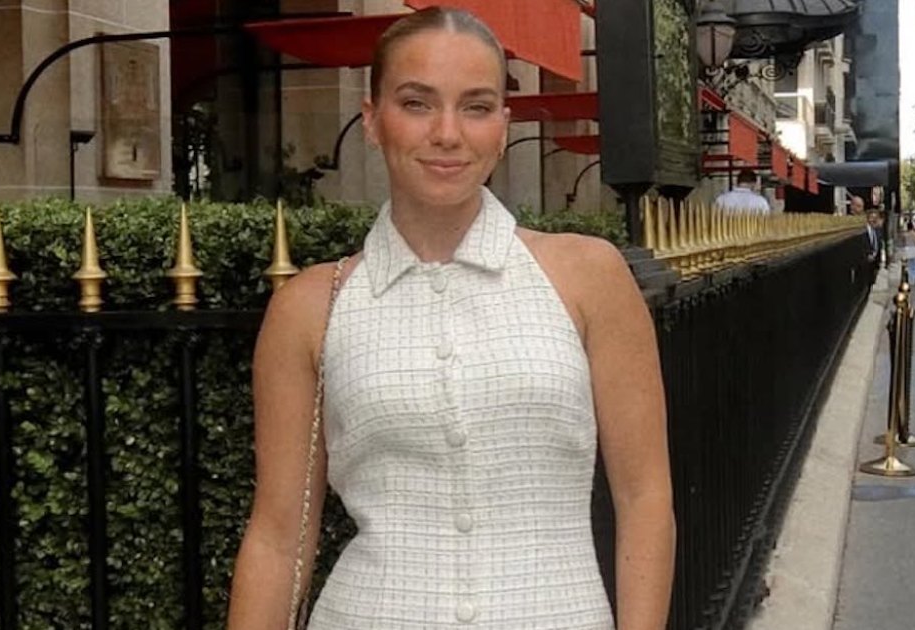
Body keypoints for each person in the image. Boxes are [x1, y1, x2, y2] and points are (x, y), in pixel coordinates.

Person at [227, 8, 675, 630]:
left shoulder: (588, 277)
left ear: (503, 127)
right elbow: (278, 536)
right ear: (372, 120)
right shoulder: (309, 307)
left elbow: (645, 498)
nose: (447, 133)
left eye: (476, 106)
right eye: (416, 103)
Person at [865, 210, 884, 276]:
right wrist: (867, 255)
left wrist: (878, 263)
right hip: (865, 263)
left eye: (876, 218)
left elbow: (879, 246)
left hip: (875, 263)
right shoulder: (863, 231)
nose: (874, 220)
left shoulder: (878, 231)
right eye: (872, 217)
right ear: (867, 219)